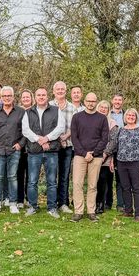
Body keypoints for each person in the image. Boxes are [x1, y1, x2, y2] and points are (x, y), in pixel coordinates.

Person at [23, 88, 65, 218]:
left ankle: (52, 208)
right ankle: (32, 206)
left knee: (52, 181)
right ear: (35, 97)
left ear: (47, 96)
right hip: (34, 151)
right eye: (39, 95)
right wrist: (39, 140)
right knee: (32, 181)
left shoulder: (56, 110)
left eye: (43, 95)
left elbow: (60, 128)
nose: (41, 97)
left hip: (51, 151)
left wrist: (47, 138)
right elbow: (26, 130)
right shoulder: (28, 112)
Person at [70, 93, 109, 222]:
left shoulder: (102, 118)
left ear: (96, 102)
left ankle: (91, 211)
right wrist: (84, 153)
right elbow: (74, 138)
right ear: (84, 101)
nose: (90, 103)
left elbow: (104, 138)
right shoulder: (77, 117)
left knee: (92, 185)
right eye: (88, 101)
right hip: (80, 156)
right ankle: (78, 211)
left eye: (93, 101)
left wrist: (93, 153)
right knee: (77, 183)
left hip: (96, 156)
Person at [0, 86, 26, 214]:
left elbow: (26, 131)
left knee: (12, 176)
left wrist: (21, 144)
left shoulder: (21, 112)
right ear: (1, 98)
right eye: (4, 96)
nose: (7, 98)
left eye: (9, 96)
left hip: (14, 150)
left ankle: (13, 203)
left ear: (13, 97)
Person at [105, 108, 139, 220]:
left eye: (133, 115)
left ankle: (138, 213)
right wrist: (113, 161)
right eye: (128, 115)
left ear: (136, 117)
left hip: (136, 162)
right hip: (121, 162)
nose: (130, 117)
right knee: (125, 187)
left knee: (137, 188)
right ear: (125, 117)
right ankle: (128, 210)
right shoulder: (121, 130)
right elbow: (116, 147)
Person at [50, 81, 76, 214]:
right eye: (57, 89)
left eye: (62, 89)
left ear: (66, 91)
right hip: (52, 146)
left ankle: (63, 203)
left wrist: (66, 136)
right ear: (53, 91)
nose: (60, 91)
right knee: (52, 175)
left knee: (64, 175)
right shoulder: (49, 106)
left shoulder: (72, 108)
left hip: (67, 145)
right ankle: (52, 203)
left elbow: (75, 126)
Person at [95, 100, 117, 214]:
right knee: (93, 181)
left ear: (108, 110)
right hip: (93, 155)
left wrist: (105, 154)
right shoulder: (92, 120)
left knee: (102, 181)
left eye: (106, 108)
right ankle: (92, 204)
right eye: (101, 107)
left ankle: (100, 205)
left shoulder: (112, 123)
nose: (103, 109)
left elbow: (113, 141)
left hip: (106, 158)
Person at [16, 90, 34, 208]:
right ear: (21, 99)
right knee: (19, 174)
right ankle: (20, 200)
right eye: (24, 97)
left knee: (31, 175)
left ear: (31, 98)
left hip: (32, 147)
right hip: (20, 147)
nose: (26, 99)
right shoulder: (18, 111)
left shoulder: (35, 111)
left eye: (28, 97)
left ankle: (29, 198)